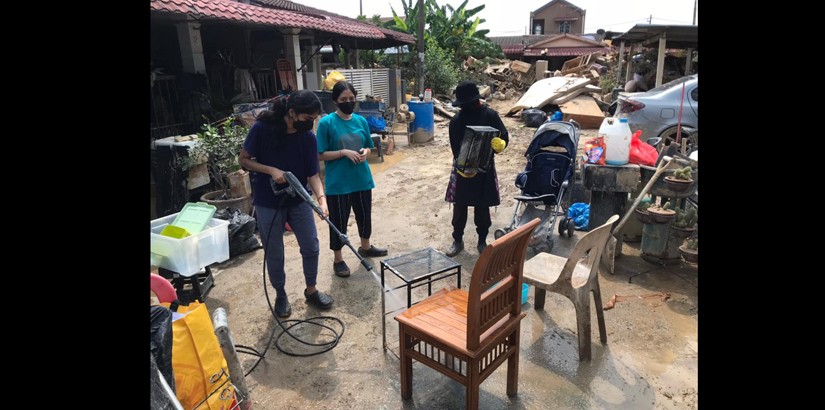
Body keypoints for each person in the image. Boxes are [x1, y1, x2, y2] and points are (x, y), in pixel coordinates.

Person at [238, 90, 333, 318]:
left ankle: (311, 290)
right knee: (275, 251)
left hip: (299, 199)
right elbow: (244, 160)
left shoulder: (308, 137)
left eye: (314, 119)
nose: (311, 123)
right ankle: (281, 294)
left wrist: (322, 200)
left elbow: (313, 174)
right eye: (307, 118)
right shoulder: (262, 129)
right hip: (268, 201)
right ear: (291, 112)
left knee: (311, 246)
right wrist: (271, 170)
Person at [316, 81, 388, 278]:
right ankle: (338, 259)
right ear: (335, 101)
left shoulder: (360, 121)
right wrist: (343, 152)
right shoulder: (326, 123)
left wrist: (365, 151)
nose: (348, 102)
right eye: (343, 99)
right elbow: (320, 154)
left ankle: (365, 246)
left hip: (361, 179)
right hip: (338, 183)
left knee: (364, 215)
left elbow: (367, 145)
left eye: (351, 99)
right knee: (339, 221)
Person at [444, 81, 509, 257]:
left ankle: (482, 241)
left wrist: (501, 144)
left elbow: (504, 136)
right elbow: (456, 149)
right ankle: (457, 240)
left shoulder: (491, 116)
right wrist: (463, 165)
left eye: (467, 104)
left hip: (485, 168)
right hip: (463, 169)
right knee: (460, 208)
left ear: (476, 100)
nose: (465, 107)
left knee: (482, 207)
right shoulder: (457, 121)